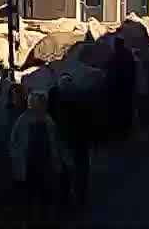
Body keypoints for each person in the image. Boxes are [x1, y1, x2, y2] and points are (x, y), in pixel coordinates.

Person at [10, 89, 69, 221]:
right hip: (29, 165)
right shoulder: (23, 122)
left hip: (45, 165)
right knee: (29, 198)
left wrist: (58, 162)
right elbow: (15, 145)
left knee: (45, 197)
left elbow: (56, 144)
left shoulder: (48, 122)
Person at [48, 75, 94, 212]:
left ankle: (68, 200)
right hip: (77, 138)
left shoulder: (57, 98)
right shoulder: (80, 98)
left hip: (67, 138)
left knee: (67, 169)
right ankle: (79, 197)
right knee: (79, 169)